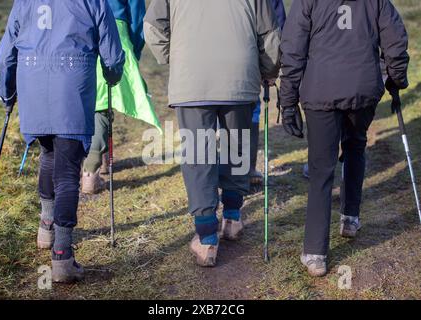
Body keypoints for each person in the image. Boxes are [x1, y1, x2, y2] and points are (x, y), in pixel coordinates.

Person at [0, 0, 124, 283]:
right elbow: (112, 56)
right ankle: (62, 255)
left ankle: (46, 226)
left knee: (49, 154)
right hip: (72, 88)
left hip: (34, 87)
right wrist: (113, 76)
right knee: (66, 171)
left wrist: (7, 94)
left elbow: (4, 57)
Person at [144, 0, 281, 267]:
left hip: (192, 79)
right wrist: (269, 70)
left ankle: (207, 237)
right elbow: (270, 35)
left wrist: (175, 56)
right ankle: (232, 217)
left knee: (198, 154)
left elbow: (151, 26)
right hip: (239, 75)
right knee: (236, 146)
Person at [280, 0, 409, 277]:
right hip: (362, 88)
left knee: (321, 168)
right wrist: (396, 79)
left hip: (320, 91)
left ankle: (315, 252)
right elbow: (395, 38)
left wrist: (288, 101)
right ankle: (350, 217)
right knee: (355, 146)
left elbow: (292, 49)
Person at [81, 0, 161, 194]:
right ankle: (91, 171)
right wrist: (133, 48)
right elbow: (136, 14)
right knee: (106, 99)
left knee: (89, 99)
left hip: (81, 30)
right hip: (116, 32)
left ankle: (90, 161)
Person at [250, 0, 287, 185]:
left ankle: (241, 169)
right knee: (248, 109)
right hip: (248, 58)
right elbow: (277, 25)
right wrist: (271, 68)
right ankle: (244, 170)